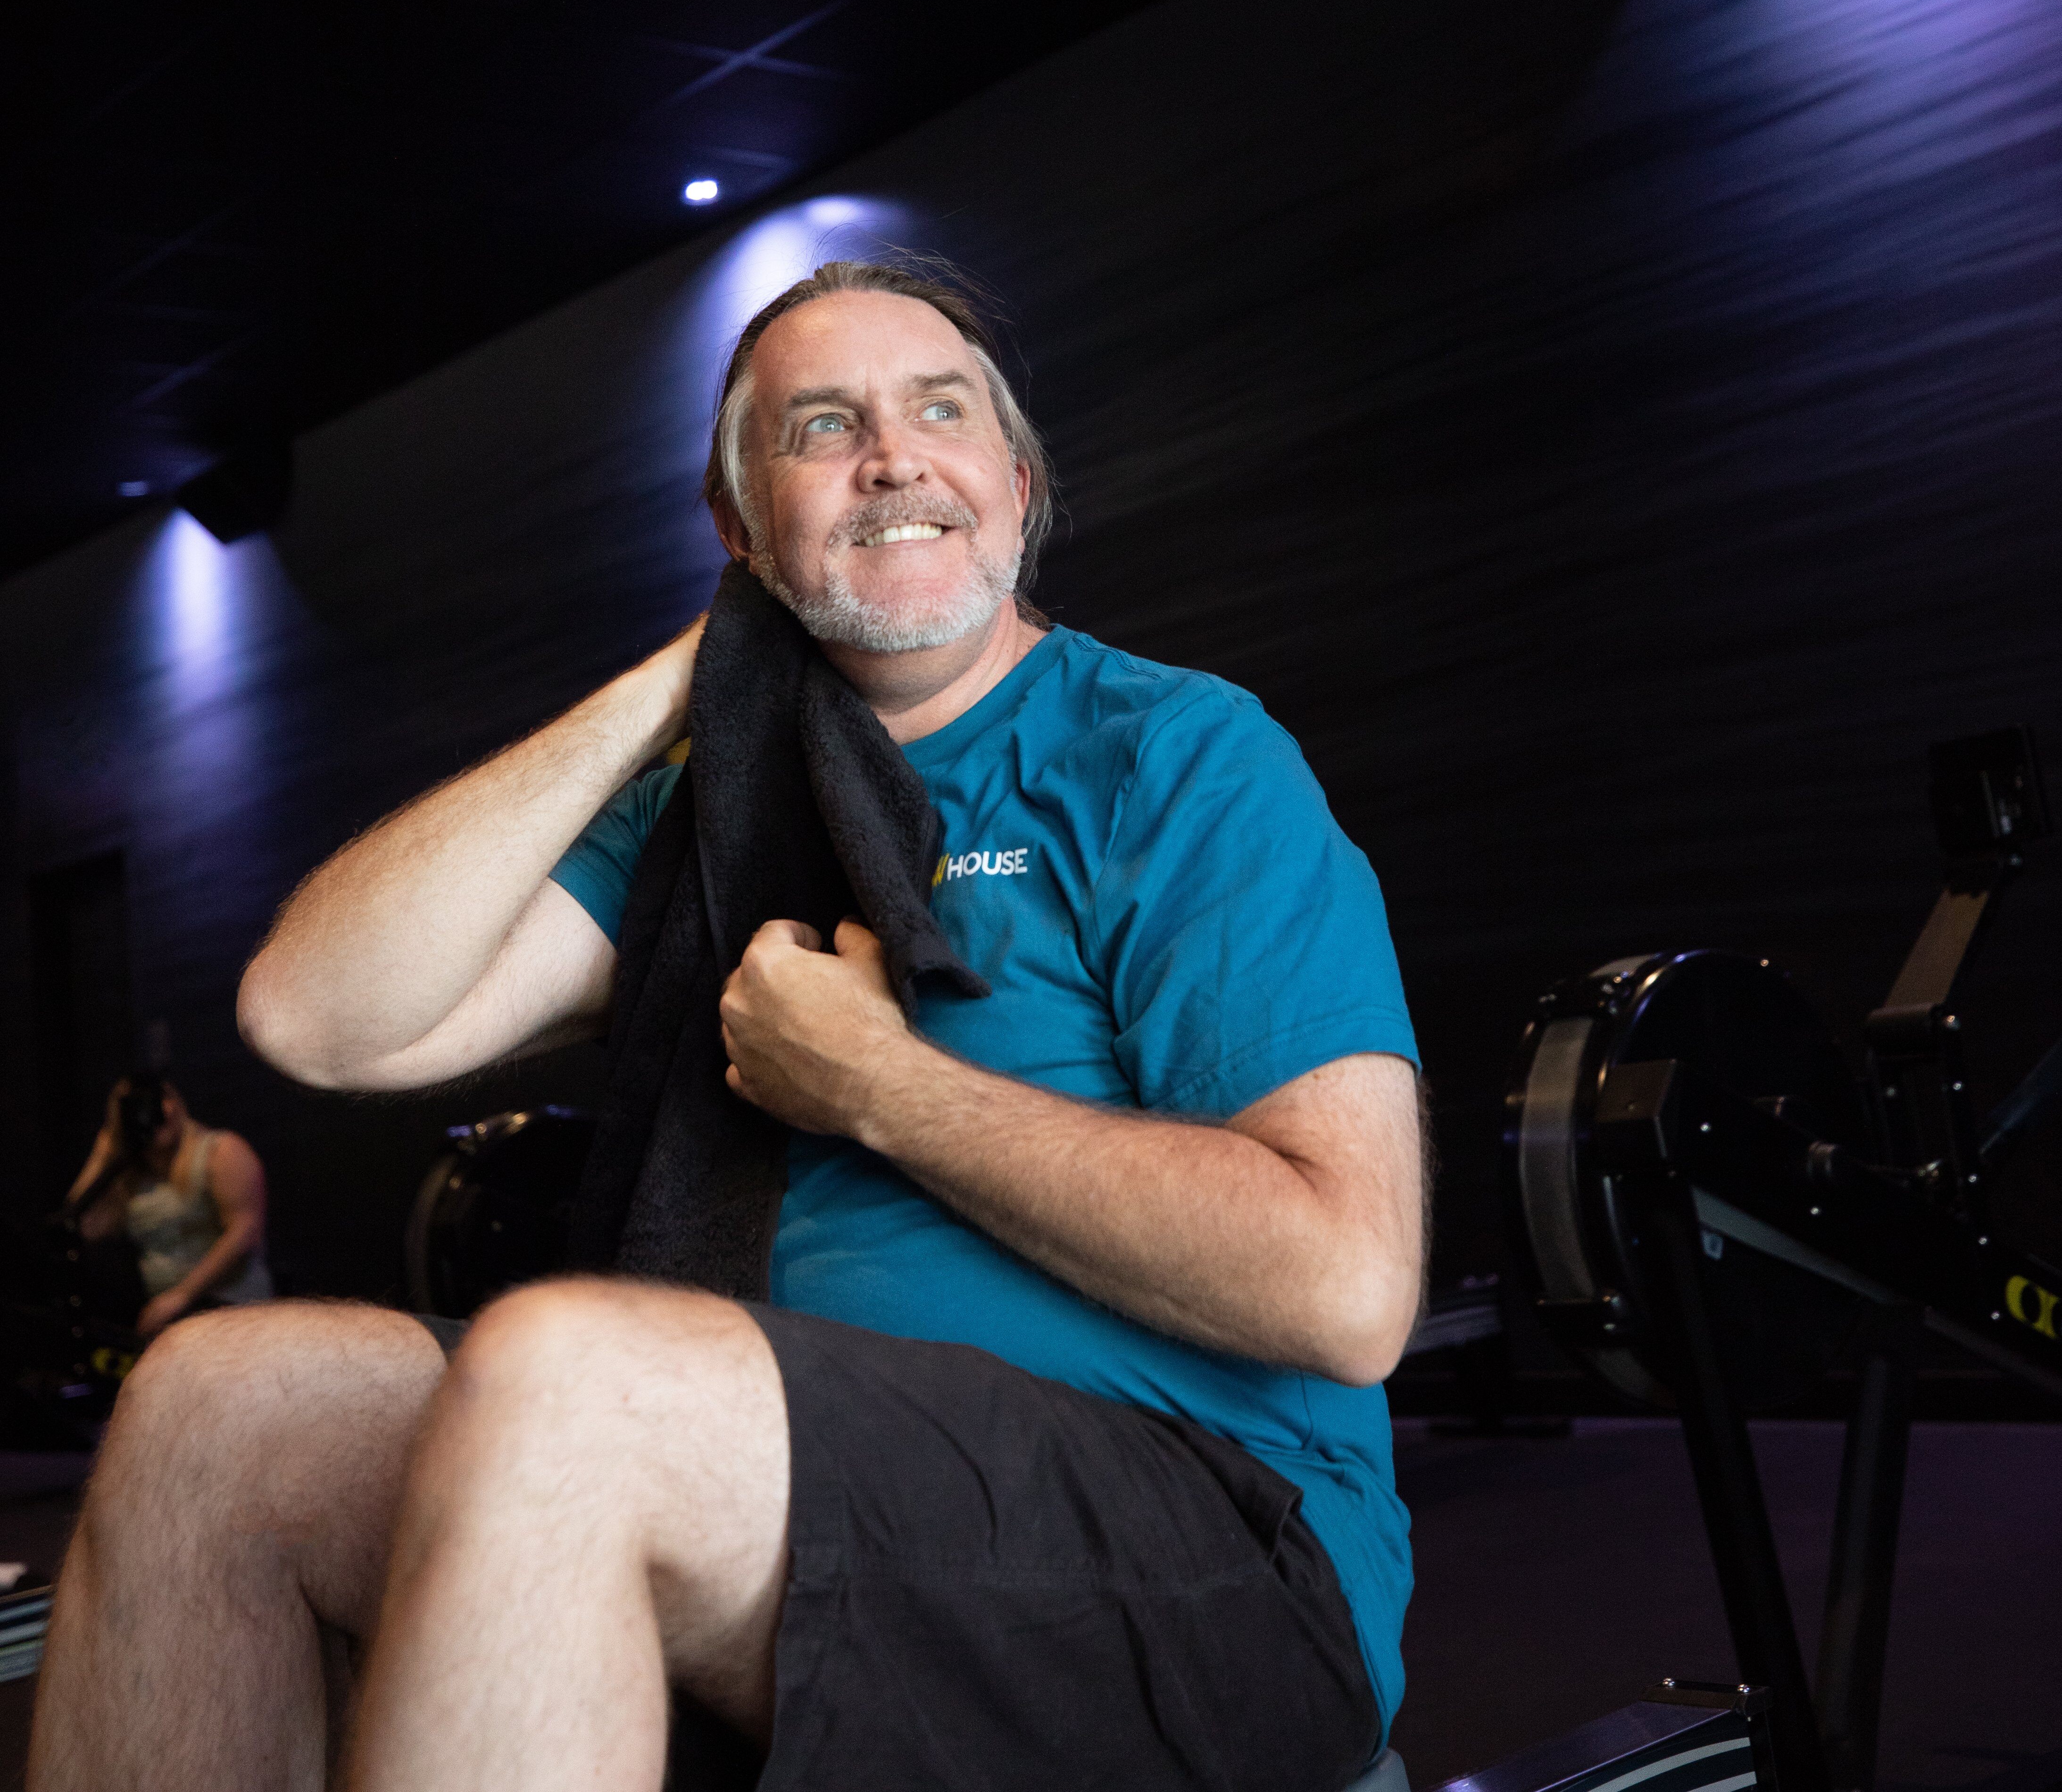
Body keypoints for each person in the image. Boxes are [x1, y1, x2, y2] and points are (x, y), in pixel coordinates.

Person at [30, 260, 1426, 1792]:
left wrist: (885, 1087)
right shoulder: (699, 818)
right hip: (776, 1474)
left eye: (937, 409)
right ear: (741, 531)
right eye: (821, 427)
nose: (891, 454)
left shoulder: (1176, 757)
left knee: (573, 1376)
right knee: (214, 1406)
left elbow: (1339, 1286)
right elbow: (314, 1020)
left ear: (1012, 486)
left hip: (1212, 1546)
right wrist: (680, 683)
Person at [64, 1074, 271, 1338]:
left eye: (166, 1098)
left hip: (233, 1311)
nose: (163, 1110)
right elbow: (82, 1229)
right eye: (143, 1106)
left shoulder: (221, 1151)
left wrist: (181, 1296)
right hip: (173, 1325)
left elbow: (246, 1232)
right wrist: (103, 1153)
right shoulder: (133, 1179)